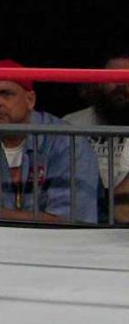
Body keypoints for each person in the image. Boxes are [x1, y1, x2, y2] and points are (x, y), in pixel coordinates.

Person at [0, 65, 100, 223]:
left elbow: (70, 219)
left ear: (30, 100)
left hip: (55, 237)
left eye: (6, 94)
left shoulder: (67, 140)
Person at [60, 48, 129, 215]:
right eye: (113, 78)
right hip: (80, 202)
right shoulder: (71, 123)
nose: (121, 85)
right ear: (100, 82)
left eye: (127, 78)